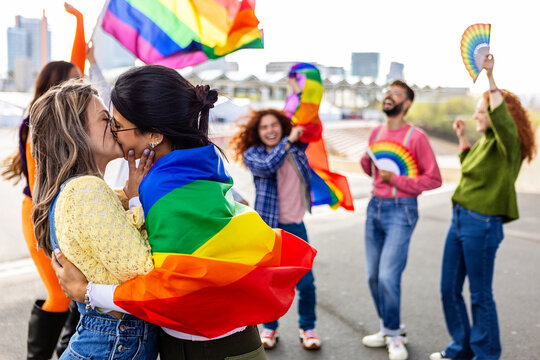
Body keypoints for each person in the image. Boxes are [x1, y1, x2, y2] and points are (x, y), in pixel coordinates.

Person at [50, 65, 316, 360]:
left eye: (117, 124)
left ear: (153, 134)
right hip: (219, 337)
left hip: (209, 347)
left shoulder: (165, 186)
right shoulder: (198, 161)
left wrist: (87, 292)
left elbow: (170, 287)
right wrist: (134, 196)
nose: (114, 132)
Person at [30, 79, 159, 360]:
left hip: (105, 342)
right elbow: (144, 270)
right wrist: (137, 201)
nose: (115, 125)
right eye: (105, 118)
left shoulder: (74, 189)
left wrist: (128, 194)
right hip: (114, 344)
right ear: (75, 133)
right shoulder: (86, 190)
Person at [429, 55, 536, 360]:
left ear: (495, 114)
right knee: (448, 289)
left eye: (480, 111)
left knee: (479, 295)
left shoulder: (507, 142)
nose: (476, 116)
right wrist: (463, 138)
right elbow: (470, 167)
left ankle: (485, 355)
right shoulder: (485, 143)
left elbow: (502, 117)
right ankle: (460, 348)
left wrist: (490, 77)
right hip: (460, 219)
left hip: (483, 223)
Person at [360, 80, 442, 360]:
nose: (388, 96)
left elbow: (433, 179)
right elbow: (370, 169)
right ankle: (387, 328)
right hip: (374, 207)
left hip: (401, 210)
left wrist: (394, 178)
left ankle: (394, 335)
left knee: (387, 276)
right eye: (387, 92)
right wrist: (366, 161)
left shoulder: (416, 137)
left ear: (406, 104)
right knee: (373, 277)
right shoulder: (375, 132)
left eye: (395, 94)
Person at [229, 109, 322, 350]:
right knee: (269, 283)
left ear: (282, 126)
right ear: (257, 133)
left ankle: (308, 328)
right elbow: (268, 166)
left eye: (274, 125)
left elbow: (310, 126)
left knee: (306, 282)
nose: (270, 130)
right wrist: (287, 140)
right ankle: (270, 329)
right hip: (270, 227)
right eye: (264, 127)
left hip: (296, 226)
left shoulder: (295, 151)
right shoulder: (255, 155)